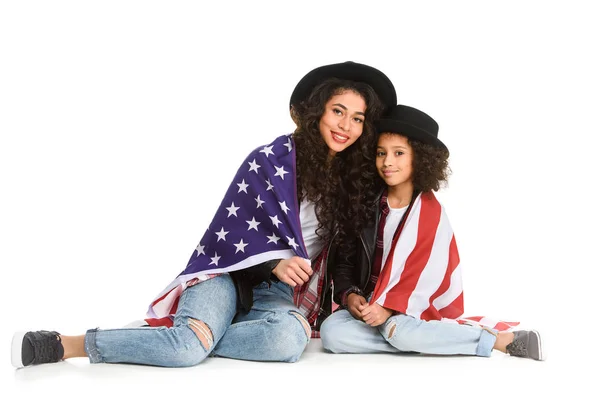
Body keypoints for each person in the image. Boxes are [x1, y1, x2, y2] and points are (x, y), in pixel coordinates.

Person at [11, 61, 397, 368]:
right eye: (338, 111)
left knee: (288, 341)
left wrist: (347, 294)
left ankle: (191, 334)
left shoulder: (355, 184)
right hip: (226, 274)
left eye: (358, 118)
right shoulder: (269, 161)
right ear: (317, 113)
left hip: (279, 293)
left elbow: (346, 255)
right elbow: (225, 235)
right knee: (184, 351)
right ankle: (69, 344)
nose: (346, 126)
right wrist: (273, 262)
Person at [319, 104, 544, 361]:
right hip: (371, 308)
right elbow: (345, 261)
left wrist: (389, 309)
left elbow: (425, 281)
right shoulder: (364, 204)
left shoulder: (429, 215)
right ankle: (422, 338)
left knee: (400, 330)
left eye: (399, 153)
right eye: (381, 153)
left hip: (408, 310)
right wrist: (351, 296)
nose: (387, 162)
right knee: (332, 333)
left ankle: (498, 341)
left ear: (421, 158)